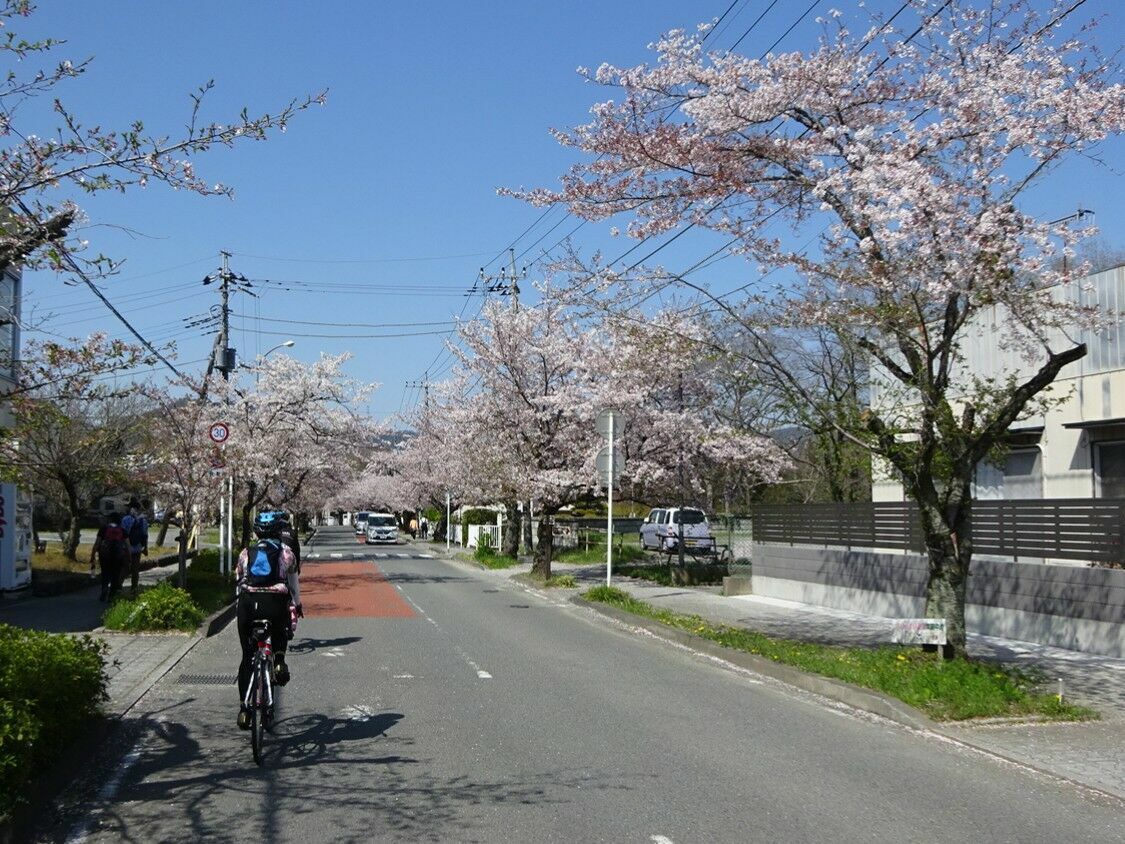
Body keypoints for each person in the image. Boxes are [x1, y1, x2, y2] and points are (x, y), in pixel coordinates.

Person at [234, 510, 301, 730]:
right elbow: (293, 583)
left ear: (257, 532)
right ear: (278, 531)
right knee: (280, 629)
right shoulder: (286, 553)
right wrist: (297, 604)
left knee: (247, 657)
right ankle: (279, 660)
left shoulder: (246, 553)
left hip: (248, 604)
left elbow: (238, 579)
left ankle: (244, 711)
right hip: (274, 603)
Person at [89, 513, 129, 601]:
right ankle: (111, 595)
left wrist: (92, 555)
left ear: (109, 520)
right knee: (115, 575)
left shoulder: (103, 529)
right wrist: (128, 558)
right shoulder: (122, 530)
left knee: (105, 573)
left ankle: (104, 589)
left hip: (105, 555)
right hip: (118, 556)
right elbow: (127, 546)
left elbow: (97, 543)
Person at [120, 500, 149, 595]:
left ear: (131, 508)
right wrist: (145, 548)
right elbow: (145, 535)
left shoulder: (125, 519)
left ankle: (118, 587)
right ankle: (134, 589)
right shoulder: (143, 520)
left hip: (126, 548)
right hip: (137, 548)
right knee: (135, 570)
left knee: (124, 568)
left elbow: (122, 534)